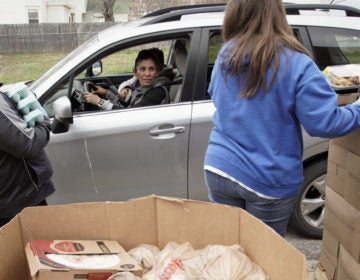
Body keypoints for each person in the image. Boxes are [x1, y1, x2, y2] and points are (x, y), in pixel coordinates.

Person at [204, 0, 360, 237]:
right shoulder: (296, 63)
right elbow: (325, 123)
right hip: (268, 177)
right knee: (265, 259)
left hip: (220, 168)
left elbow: (216, 97)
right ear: (278, 14)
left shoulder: (227, 54)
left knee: (229, 252)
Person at [0, 77, 55, 227]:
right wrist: (44, 122)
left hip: (10, 198)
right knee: (35, 247)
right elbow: (26, 144)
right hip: (16, 200)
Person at [83, 48, 171, 110]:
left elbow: (129, 115)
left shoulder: (157, 92)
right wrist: (106, 93)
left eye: (151, 69)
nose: (147, 74)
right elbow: (125, 107)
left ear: (157, 72)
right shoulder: (141, 88)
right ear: (135, 73)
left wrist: (100, 102)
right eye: (142, 69)